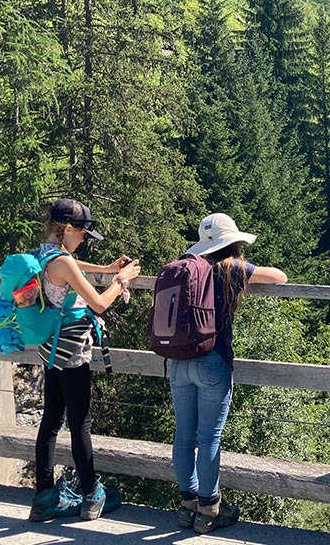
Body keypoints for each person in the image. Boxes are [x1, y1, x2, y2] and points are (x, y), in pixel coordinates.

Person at [170, 212, 287, 534]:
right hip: (213, 359)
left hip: (178, 360)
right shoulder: (230, 268)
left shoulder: (186, 266)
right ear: (233, 242)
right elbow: (279, 277)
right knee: (208, 437)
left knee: (183, 435)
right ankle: (209, 509)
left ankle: (187, 506)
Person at [28, 198, 142, 522]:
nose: (83, 240)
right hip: (70, 351)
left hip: (50, 347)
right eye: (81, 234)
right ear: (66, 229)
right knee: (80, 422)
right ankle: (92, 495)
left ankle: (44, 497)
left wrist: (106, 270)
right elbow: (99, 304)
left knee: (51, 420)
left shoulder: (44, 252)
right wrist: (120, 281)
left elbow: (72, 268)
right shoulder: (62, 260)